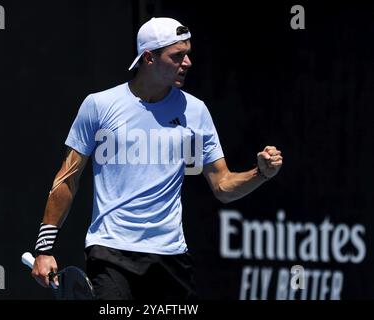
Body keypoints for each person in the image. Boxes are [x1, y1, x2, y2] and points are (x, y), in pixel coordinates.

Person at [31, 17, 283, 300]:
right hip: (111, 252)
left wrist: (260, 174)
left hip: (171, 258)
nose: (187, 62)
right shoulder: (98, 106)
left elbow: (222, 186)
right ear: (148, 58)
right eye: (177, 56)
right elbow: (68, 179)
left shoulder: (195, 112)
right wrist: (44, 249)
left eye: (188, 54)